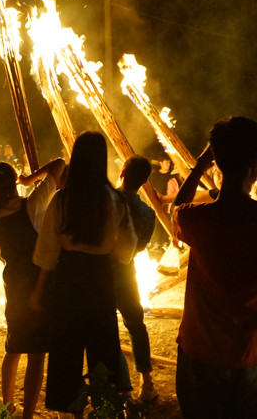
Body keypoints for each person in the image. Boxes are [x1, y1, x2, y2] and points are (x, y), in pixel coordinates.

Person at [172, 116, 257, 419]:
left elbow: (177, 208)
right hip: (251, 356)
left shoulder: (197, 220)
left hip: (200, 353)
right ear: (256, 160)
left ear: (215, 160)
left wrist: (199, 167)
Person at [30, 131, 137, 416]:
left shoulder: (62, 200)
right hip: (100, 279)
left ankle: (72, 411)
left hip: (68, 280)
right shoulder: (115, 200)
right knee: (104, 347)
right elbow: (126, 251)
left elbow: (48, 253)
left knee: (67, 348)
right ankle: (105, 407)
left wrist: (39, 292)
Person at [0, 157, 65, 419]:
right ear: (13, 182)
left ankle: (7, 408)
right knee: (37, 354)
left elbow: (0, 254)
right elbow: (60, 164)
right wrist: (29, 179)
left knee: (14, 347)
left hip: (14, 285)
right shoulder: (31, 204)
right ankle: (28, 415)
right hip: (38, 286)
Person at [113, 155, 158, 402]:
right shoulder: (147, 214)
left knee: (107, 329)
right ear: (144, 181)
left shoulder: (105, 201)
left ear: (122, 172)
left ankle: (120, 386)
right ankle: (146, 382)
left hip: (101, 275)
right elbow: (139, 247)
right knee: (136, 325)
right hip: (126, 273)